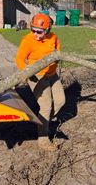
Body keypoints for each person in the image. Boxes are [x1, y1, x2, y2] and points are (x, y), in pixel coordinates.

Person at [15, 13, 65, 151]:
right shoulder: (28, 40)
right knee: (46, 106)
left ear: (47, 30)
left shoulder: (53, 37)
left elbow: (58, 53)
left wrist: (56, 60)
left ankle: (45, 121)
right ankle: (43, 139)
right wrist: (27, 73)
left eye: (39, 31)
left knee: (61, 101)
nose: (35, 34)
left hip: (52, 75)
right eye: (33, 30)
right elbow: (19, 59)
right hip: (36, 77)